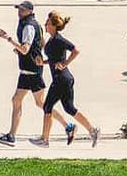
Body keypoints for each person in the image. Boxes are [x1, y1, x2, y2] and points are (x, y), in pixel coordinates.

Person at [37, 12, 101, 148]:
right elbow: (55, 59)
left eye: (47, 23)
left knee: (48, 106)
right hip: (64, 79)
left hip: (61, 79)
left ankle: (45, 140)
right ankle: (93, 130)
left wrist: (65, 63)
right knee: (69, 108)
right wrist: (44, 63)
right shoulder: (52, 40)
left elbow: (76, 50)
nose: (45, 25)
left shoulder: (59, 39)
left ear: (54, 26)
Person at [0, 1, 48, 146]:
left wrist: (9, 39)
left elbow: (25, 49)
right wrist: (27, 52)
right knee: (17, 100)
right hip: (27, 69)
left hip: (31, 70)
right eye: (19, 9)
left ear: (30, 11)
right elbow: (41, 43)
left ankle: (68, 126)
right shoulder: (34, 24)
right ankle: (11, 136)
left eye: (23, 10)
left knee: (41, 103)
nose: (19, 12)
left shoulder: (29, 26)